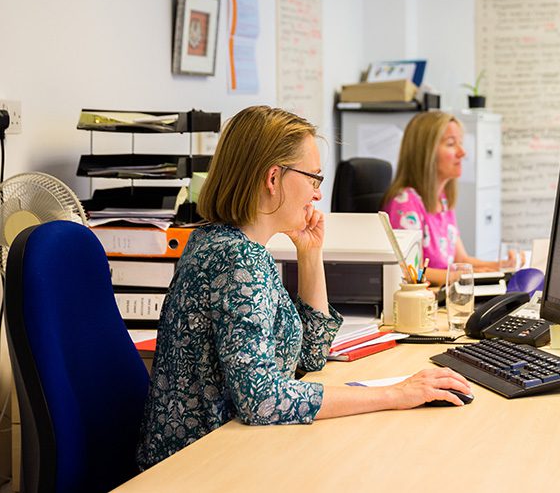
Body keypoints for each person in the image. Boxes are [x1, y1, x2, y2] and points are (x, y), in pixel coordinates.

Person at [137, 106, 471, 470]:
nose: (316, 194)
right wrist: (395, 393)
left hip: (227, 447)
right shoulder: (238, 261)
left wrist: (310, 255)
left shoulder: (221, 242)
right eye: (313, 178)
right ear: (273, 178)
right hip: (203, 464)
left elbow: (309, 356)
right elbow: (262, 400)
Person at [383, 111, 517, 286]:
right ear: (426, 152)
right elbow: (409, 269)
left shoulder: (442, 200)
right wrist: (460, 276)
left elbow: (461, 258)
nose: (462, 153)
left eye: (460, 143)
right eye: (451, 144)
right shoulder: (405, 203)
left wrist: (501, 266)